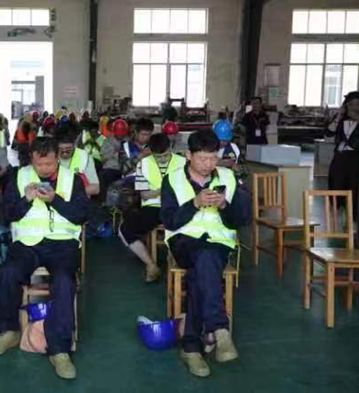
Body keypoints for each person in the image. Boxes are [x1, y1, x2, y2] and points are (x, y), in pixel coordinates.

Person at [0, 137, 88, 380]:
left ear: (57, 158)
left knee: (64, 280)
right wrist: (26, 200)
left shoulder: (72, 179)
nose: (44, 169)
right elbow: (8, 214)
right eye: (39, 164)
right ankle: (8, 332)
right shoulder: (19, 176)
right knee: (8, 273)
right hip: (27, 243)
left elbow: (81, 215)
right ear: (31, 159)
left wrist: (55, 201)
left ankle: (60, 349)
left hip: (62, 244)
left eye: (49, 164)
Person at [160, 130, 251, 378]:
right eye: (202, 159)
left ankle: (191, 347)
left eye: (213, 158)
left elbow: (241, 220)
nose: (208, 164)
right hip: (183, 242)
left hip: (218, 243)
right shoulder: (173, 179)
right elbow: (169, 221)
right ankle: (219, 328)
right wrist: (195, 204)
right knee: (204, 259)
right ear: (189, 155)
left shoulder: (228, 178)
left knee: (202, 266)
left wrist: (224, 206)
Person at [120, 134, 186, 283]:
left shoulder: (184, 162)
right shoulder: (143, 164)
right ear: (150, 151)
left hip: (178, 205)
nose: (162, 159)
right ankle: (151, 265)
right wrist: (164, 189)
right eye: (158, 157)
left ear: (171, 148)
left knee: (187, 227)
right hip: (153, 206)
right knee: (125, 230)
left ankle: (180, 263)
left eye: (165, 155)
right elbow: (144, 195)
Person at [326, 91, 359, 208]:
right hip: (340, 156)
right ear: (346, 105)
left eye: (358, 104)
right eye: (351, 104)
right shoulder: (340, 118)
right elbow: (328, 133)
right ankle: (336, 210)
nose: (354, 107)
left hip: (355, 157)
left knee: (353, 186)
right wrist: (338, 116)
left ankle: (351, 213)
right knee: (336, 184)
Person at [56, 127, 100, 197]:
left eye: (68, 149)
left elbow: (95, 189)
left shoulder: (84, 157)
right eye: (61, 150)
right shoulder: (49, 155)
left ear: (74, 145)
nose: (65, 153)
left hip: (78, 199)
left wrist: (68, 193)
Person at [101, 118, 130, 193]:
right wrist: (115, 151)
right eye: (118, 134)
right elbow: (103, 159)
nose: (120, 136)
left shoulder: (129, 142)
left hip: (126, 169)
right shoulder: (107, 142)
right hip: (111, 168)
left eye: (122, 134)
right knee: (108, 178)